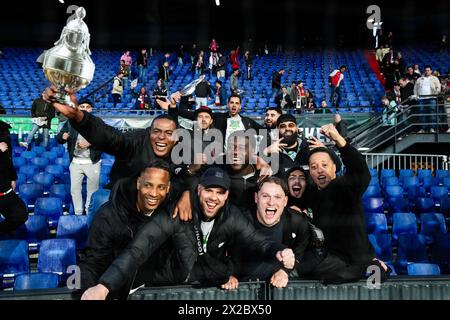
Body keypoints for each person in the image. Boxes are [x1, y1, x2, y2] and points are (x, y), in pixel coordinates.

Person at [81, 167, 295, 299]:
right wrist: (104, 286)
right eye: (209, 191)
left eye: (220, 193)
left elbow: (258, 241)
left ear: (227, 195)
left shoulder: (232, 216)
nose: (213, 198)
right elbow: (139, 247)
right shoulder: (177, 211)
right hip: (165, 285)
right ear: (199, 190)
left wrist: (279, 251)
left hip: (204, 285)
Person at [79, 160, 196, 300]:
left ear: (168, 188)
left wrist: (189, 193)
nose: (154, 193)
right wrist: (92, 291)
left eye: (161, 187)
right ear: (138, 183)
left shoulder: (171, 207)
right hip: (117, 289)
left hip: (156, 287)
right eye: (148, 185)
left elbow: (202, 185)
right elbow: (92, 261)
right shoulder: (109, 216)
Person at [42, 87, 187, 194]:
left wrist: (187, 194)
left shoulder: (182, 151)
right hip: (124, 203)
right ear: (149, 132)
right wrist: (79, 117)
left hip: (158, 213)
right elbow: (110, 137)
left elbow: (196, 174)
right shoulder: (135, 142)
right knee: (100, 198)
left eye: (168, 133)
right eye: (156, 131)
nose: (161, 137)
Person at [300, 124, 390, 284]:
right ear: (310, 172)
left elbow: (360, 171)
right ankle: (374, 268)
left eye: (324, 165)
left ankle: (375, 268)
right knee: (310, 274)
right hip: (335, 259)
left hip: (359, 258)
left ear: (335, 167)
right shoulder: (312, 193)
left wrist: (338, 140)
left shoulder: (345, 186)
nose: (319, 170)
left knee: (374, 288)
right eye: (314, 167)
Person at [235, 177, 311, 288]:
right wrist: (229, 275)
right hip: (244, 284)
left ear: (285, 201)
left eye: (277, 197)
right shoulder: (241, 220)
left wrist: (285, 271)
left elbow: (300, 250)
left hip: (279, 282)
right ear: (256, 198)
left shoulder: (297, 221)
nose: (271, 202)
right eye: (265, 196)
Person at [57, 100, 102, 216]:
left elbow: (106, 139)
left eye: (88, 107)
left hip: (93, 162)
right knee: (75, 190)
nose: (85, 108)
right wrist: (63, 136)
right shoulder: (71, 122)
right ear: (78, 108)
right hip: (76, 162)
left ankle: (89, 213)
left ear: (91, 109)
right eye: (82, 106)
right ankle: (78, 213)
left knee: (92, 191)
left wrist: (91, 142)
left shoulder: (98, 122)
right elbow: (59, 137)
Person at [0, 120, 27, 236]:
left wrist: (12, 177)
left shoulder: (3, 129)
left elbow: (8, 159)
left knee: (20, 214)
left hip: (4, 187)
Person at [413, 65, 441, 133]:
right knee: (421, 113)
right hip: (421, 98)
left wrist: (436, 94)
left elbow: (438, 87)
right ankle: (422, 128)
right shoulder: (419, 79)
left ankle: (432, 128)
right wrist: (416, 96)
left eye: (428, 70)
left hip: (431, 98)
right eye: (426, 70)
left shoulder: (435, 78)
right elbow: (415, 88)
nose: (427, 71)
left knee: (432, 112)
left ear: (431, 71)